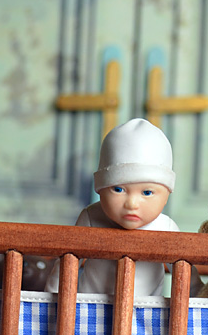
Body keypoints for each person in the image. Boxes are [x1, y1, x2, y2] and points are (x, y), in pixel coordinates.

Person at [45, 118, 179, 297]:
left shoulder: (166, 228)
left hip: (145, 309)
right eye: (118, 189)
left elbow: (186, 275)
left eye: (147, 193)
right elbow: (67, 263)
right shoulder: (91, 217)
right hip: (91, 305)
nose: (131, 204)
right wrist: (51, 298)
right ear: (100, 189)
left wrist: (199, 301)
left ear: (166, 196)